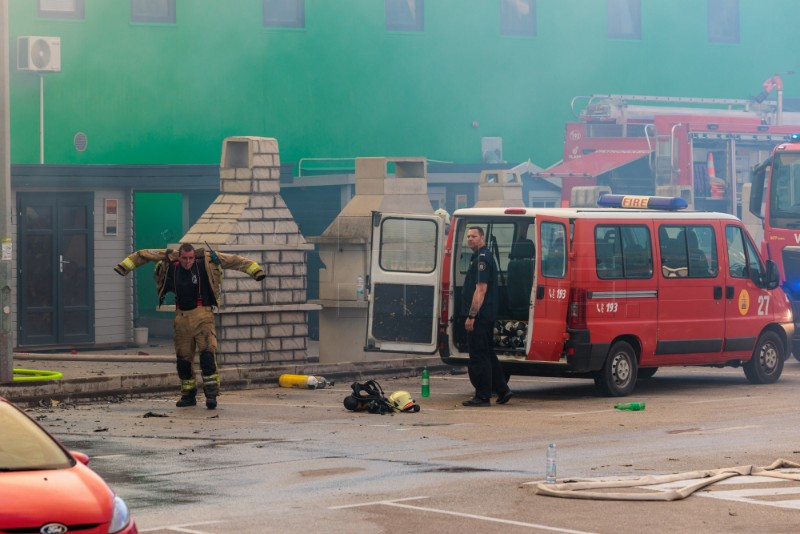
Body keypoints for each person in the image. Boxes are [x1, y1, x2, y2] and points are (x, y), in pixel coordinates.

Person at [114, 243, 266, 409]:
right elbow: (144, 253)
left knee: (207, 356)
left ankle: (211, 395)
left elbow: (235, 261)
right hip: (181, 316)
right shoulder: (171, 263)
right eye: (184, 258)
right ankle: (188, 395)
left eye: (190, 258)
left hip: (203, 315)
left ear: (195, 257)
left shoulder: (207, 261)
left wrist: (256, 271)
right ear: (179, 256)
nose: (187, 261)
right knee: (183, 360)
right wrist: (124, 267)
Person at [462, 227, 513, 407]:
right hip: (484, 316)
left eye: (474, 236)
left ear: (482, 238)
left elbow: (480, 290)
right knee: (489, 355)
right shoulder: (478, 257)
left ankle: (482, 396)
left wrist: (471, 316)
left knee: (479, 356)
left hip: (480, 317)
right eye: (468, 236)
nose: (470, 239)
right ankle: (503, 389)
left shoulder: (482, 259)